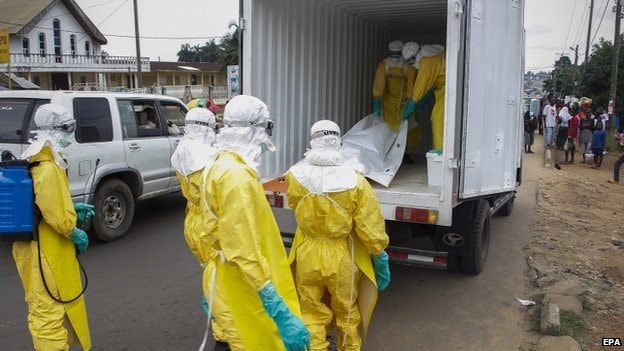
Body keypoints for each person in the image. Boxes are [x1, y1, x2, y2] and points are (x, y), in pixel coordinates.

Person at [199, 95, 310, 351]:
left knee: (228, 338)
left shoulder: (220, 164)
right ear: (255, 130)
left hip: (228, 279)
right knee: (242, 342)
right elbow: (243, 250)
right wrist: (277, 308)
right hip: (242, 288)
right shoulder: (236, 176)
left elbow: (208, 229)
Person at [285, 120, 390, 351]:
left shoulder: (294, 175)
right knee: (347, 311)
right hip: (341, 255)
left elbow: (294, 205)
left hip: (308, 252)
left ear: (312, 141)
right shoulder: (355, 180)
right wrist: (379, 254)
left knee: (310, 311)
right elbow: (369, 223)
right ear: (338, 141)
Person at [16, 104, 92, 350]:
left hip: (40, 246)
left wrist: (72, 208)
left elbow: (45, 204)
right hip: (43, 251)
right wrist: (73, 229)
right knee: (48, 314)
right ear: (57, 130)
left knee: (50, 308)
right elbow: (55, 216)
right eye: (69, 129)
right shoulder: (47, 168)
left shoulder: (39, 161)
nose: (71, 136)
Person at [170, 108, 236, 349]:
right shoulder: (200, 155)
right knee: (221, 278)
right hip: (208, 221)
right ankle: (225, 335)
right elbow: (214, 196)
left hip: (194, 219)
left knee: (213, 273)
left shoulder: (184, 148)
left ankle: (219, 319)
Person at [402, 42, 446, 151]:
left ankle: (440, 151)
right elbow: (433, 79)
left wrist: (407, 110)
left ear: (414, 57)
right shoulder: (431, 55)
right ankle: (439, 149)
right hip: (443, 88)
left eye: (410, 61)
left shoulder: (426, 62)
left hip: (447, 89)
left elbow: (418, 91)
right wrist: (427, 96)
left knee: (438, 118)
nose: (411, 65)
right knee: (437, 117)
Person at [372, 40, 415, 131]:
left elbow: (411, 88)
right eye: (393, 54)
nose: (395, 57)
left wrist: (410, 104)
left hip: (403, 105)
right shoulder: (384, 65)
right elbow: (378, 85)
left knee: (402, 131)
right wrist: (377, 101)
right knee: (388, 130)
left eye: (397, 54)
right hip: (388, 106)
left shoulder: (408, 67)